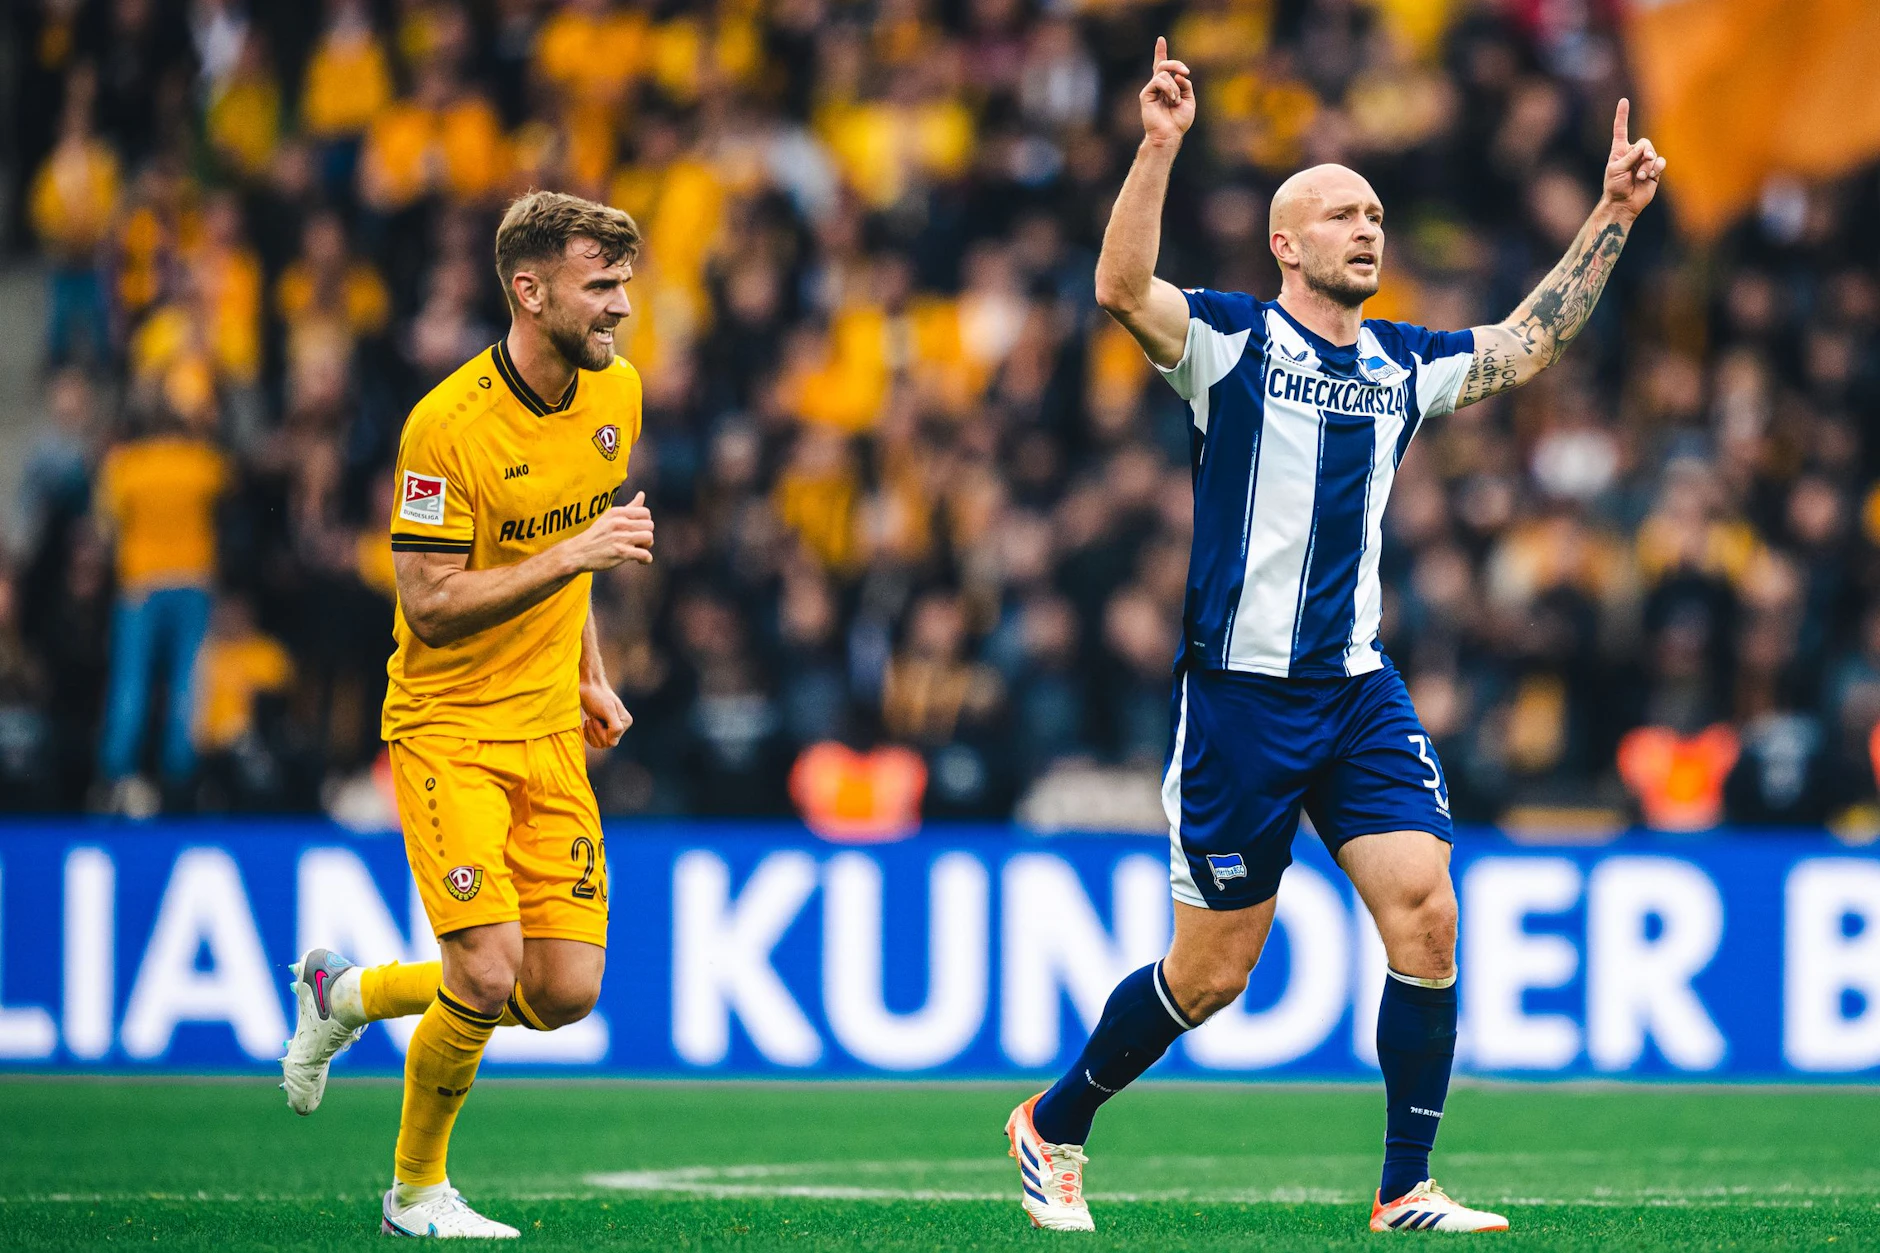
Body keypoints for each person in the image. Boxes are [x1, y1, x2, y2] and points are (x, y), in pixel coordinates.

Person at [1003, 39, 1664, 1235]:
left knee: (1426, 910)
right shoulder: (1229, 342)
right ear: (1283, 244)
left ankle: (1403, 1185)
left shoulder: (1404, 363)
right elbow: (1118, 289)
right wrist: (1156, 146)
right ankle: (1052, 1122)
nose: (1366, 229)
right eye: (1339, 214)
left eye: (1373, 215)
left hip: (1355, 690)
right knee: (1211, 973)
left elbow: (1527, 341)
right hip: (1240, 701)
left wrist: (1610, 214)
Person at [278, 191, 658, 1238]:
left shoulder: (616, 390)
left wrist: (589, 672)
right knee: (486, 972)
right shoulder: (444, 428)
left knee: (563, 989)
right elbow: (432, 604)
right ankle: (414, 1193)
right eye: (600, 285)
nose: (621, 307)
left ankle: (346, 994)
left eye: (624, 283)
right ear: (528, 291)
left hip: (548, 729)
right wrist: (575, 554)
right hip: (449, 729)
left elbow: (572, 553)